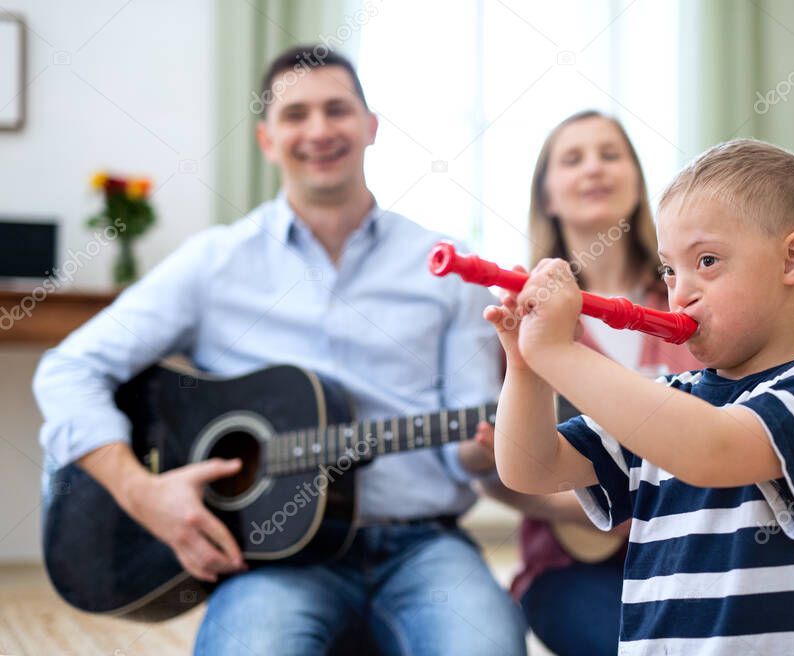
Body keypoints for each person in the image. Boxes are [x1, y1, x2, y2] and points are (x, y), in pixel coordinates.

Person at [33, 46, 525, 656]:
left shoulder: (449, 265)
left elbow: (468, 454)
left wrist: (485, 452)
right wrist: (140, 490)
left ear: (371, 128)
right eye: (296, 115)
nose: (318, 130)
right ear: (267, 139)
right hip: (272, 560)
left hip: (423, 546)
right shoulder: (214, 263)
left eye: (336, 109)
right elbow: (67, 369)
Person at [484, 138, 794, 655]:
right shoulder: (666, 397)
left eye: (709, 261)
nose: (680, 293)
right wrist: (526, 366)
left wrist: (560, 352)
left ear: (791, 258)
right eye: (671, 269)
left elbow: (710, 451)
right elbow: (530, 469)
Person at [477, 110, 700, 656]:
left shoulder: (691, 297)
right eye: (572, 159)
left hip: (700, 550)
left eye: (609, 153)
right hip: (573, 567)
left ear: (637, 180)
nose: (594, 168)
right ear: (547, 195)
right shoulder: (519, 317)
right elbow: (511, 474)